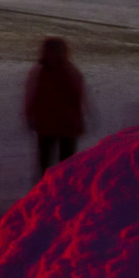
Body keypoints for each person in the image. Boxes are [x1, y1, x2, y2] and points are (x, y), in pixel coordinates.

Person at [22, 36, 86, 181]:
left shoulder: (68, 72)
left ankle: (55, 192)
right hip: (50, 125)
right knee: (50, 164)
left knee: (60, 164)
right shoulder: (45, 72)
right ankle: (49, 193)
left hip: (63, 125)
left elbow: (78, 97)